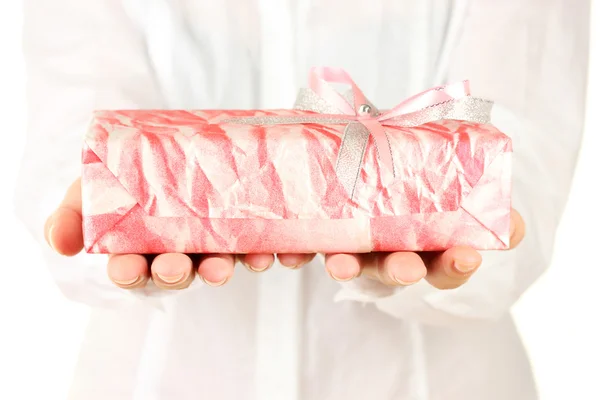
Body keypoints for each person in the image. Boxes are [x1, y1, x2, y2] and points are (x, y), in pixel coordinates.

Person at [16, 1, 589, 399]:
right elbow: (74, 129)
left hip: (444, 383)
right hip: (161, 380)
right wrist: (96, 210)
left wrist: (456, 245)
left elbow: (516, 153)